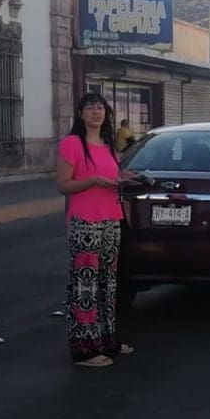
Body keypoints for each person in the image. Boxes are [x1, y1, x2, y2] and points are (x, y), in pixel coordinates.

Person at [56, 93, 136, 367]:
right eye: (90, 107)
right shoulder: (72, 144)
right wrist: (91, 182)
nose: (96, 111)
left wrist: (128, 178)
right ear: (80, 114)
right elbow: (63, 185)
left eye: (100, 107)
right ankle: (83, 349)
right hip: (85, 223)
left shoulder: (106, 145)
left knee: (108, 284)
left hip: (111, 220)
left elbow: (113, 178)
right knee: (84, 286)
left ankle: (106, 340)